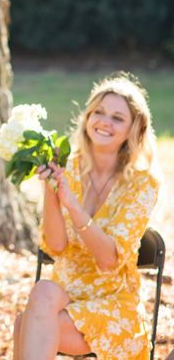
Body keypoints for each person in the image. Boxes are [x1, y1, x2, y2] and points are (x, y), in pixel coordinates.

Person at [13, 74, 161, 360]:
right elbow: (56, 247)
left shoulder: (143, 184)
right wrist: (51, 191)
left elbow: (108, 259)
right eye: (99, 112)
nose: (105, 122)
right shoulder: (66, 165)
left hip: (113, 304)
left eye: (118, 118)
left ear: (134, 129)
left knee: (26, 326)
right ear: (87, 117)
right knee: (43, 290)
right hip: (64, 294)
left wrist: (72, 205)